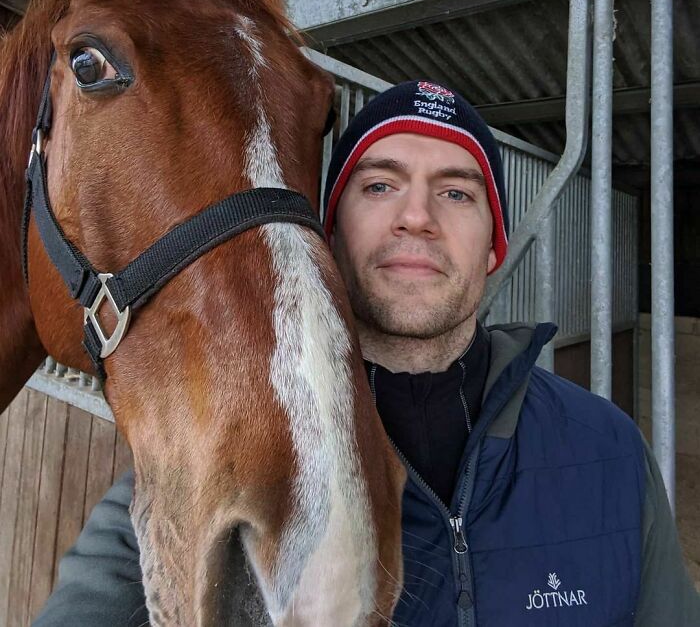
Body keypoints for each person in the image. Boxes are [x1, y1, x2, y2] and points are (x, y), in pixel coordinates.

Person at [34, 80, 699, 626]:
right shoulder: (216, 457)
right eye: (380, 185)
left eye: (457, 191)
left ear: (493, 245)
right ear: (327, 231)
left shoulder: (609, 449)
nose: (417, 215)